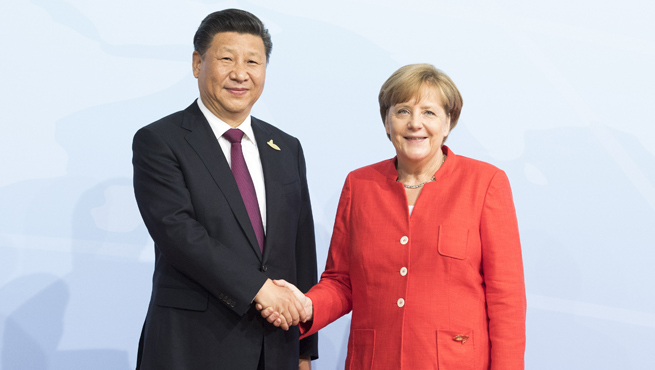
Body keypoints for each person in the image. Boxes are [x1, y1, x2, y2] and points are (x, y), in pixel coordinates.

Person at [260, 64, 526, 369]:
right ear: (387, 122)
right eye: (402, 112)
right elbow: (342, 281)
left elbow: (506, 299)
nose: (415, 124)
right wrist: (307, 305)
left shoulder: (485, 183)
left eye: (429, 112)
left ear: (448, 122)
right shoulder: (359, 184)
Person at [132, 9, 318, 370]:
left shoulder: (286, 147)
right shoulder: (161, 141)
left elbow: (300, 248)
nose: (240, 73)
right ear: (197, 63)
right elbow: (179, 233)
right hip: (192, 344)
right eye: (227, 59)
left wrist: (304, 349)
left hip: (276, 347)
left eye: (253, 61)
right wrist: (259, 288)